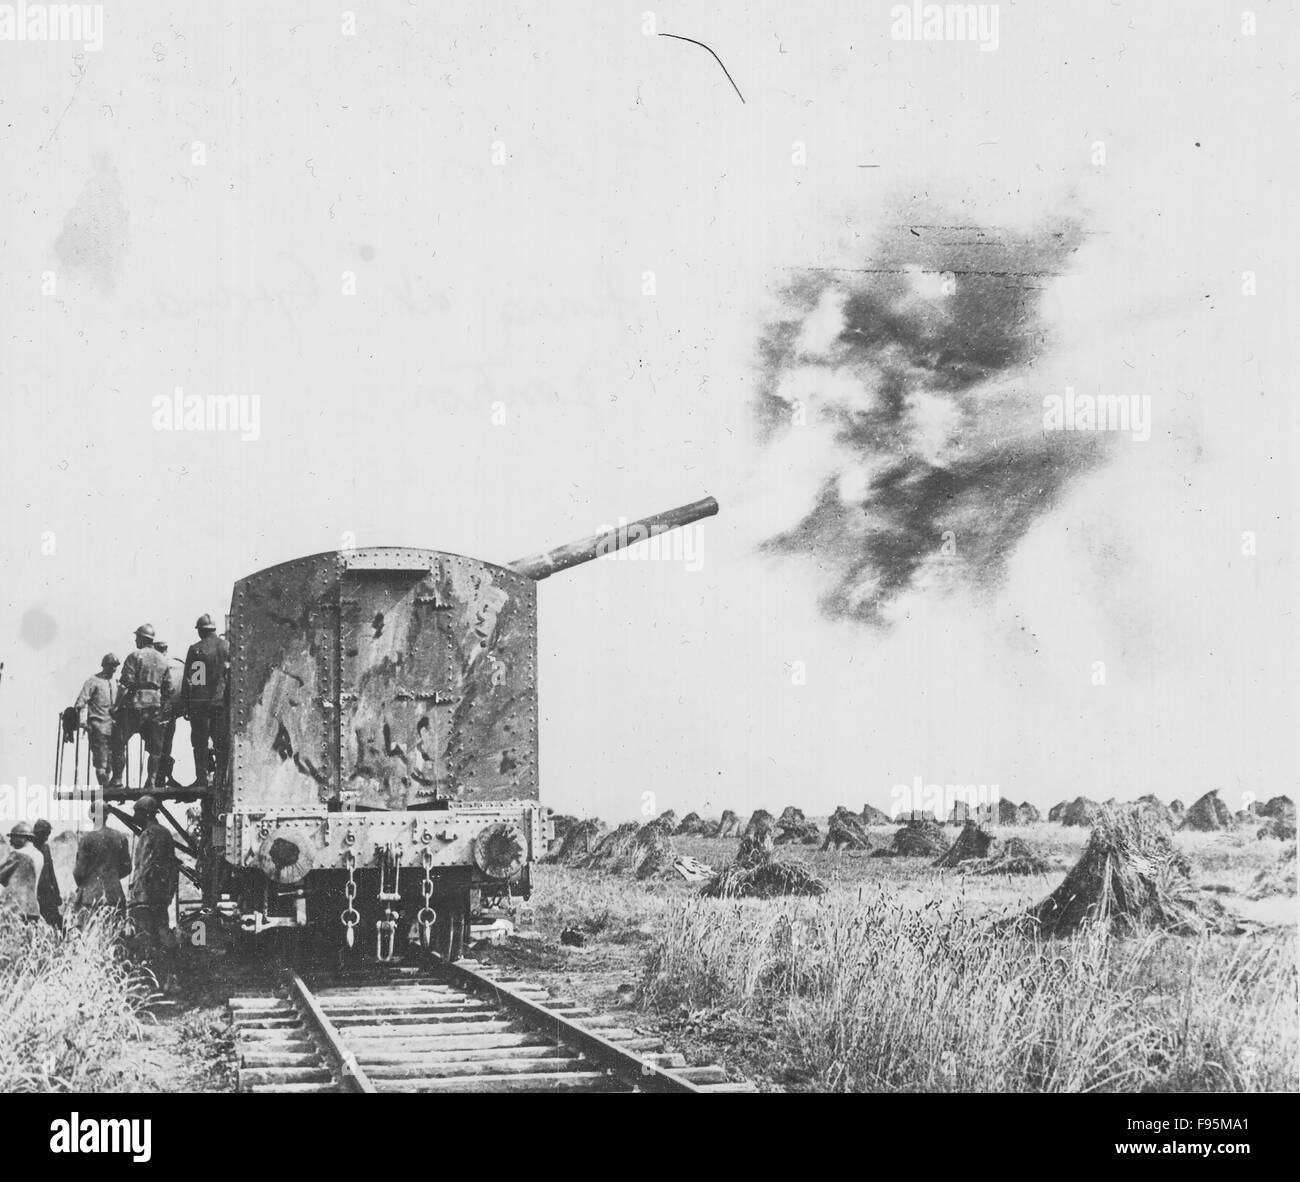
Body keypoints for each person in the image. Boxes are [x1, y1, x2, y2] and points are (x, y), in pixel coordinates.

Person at [128, 795, 177, 975]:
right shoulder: (165, 833)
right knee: (162, 933)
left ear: (146, 813)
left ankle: (147, 976)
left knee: (144, 937)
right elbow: (173, 867)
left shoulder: (148, 834)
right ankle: (167, 976)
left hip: (145, 896)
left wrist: (135, 895)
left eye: (137, 813)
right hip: (161, 894)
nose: (134, 817)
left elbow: (143, 866)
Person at [118, 625, 170, 790]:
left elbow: (127, 680)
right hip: (155, 705)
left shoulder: (135, 656)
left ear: (142, 639)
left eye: (137, 638)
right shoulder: (162, 659)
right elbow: (168, 687)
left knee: (119, 741)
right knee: (155, 747)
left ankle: (117, 778)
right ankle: (152, 780)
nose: (135, 641)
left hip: (136, 703)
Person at [182, 614, 230, 789]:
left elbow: (195, 681)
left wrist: (187, 705)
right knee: (221, 744)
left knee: (200, 744)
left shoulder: (197, 649)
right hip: (221, 704)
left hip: (201, 705)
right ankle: (221, 779)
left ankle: (201, 779)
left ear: (201, 630)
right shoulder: (227, 647)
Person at [74, 653, 125, 790]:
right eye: (111, 666)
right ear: (104, 666)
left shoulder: (116, 683)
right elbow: (81, 702)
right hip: (98, 726)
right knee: (101, 762)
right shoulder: (93, 681)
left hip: (113, 727)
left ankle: (108, 787)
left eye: (115, 667)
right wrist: (83, 722)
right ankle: (105, 788)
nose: (113, 669)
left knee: (111, 761)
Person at [72, 809, 132, 912]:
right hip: (115, 895)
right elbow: (127, 868)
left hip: (90, 896)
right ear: (107, 816)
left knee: (90, 927)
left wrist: (85, 884)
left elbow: (79, 872)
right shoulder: (121, 837)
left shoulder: (86, 839)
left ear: (91, 816)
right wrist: (112, 876)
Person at [155, 639, 186, 790]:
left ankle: (158, 778)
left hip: (157, 713)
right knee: (166, 746)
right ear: (166, 650)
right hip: (170, 713)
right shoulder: (177, 666)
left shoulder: (155, 666)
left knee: (157, 748)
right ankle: (162, 777)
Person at [0, 822, 45, 923]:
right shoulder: (39, 855)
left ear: (24, 838)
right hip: (33, 909)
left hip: (15, 910)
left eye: (13, 837)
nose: (11, 842)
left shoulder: (18, 854)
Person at [31, 819, 64, 931]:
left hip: (47, 893)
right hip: (36, 892)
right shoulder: (31, 848)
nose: (46, 838)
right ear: (37, 833)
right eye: (44, 834)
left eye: (48, 834)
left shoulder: (46, 848)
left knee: (57, 923)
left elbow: (51, 872)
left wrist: (57, 893)